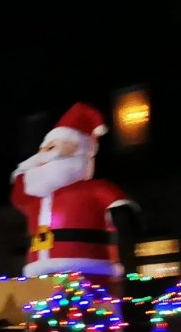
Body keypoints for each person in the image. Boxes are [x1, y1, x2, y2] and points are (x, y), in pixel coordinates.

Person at [11, 103, 141, 294]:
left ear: (79, 150)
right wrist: (25, 168)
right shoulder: (36, 197)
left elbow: (120, 208)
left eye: (53, 147)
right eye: (44, 148)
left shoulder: (95, 189)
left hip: (89, 270)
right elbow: (19, 194)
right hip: (39, 276)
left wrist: (123, 216)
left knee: (91, 314)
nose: (45, 153)